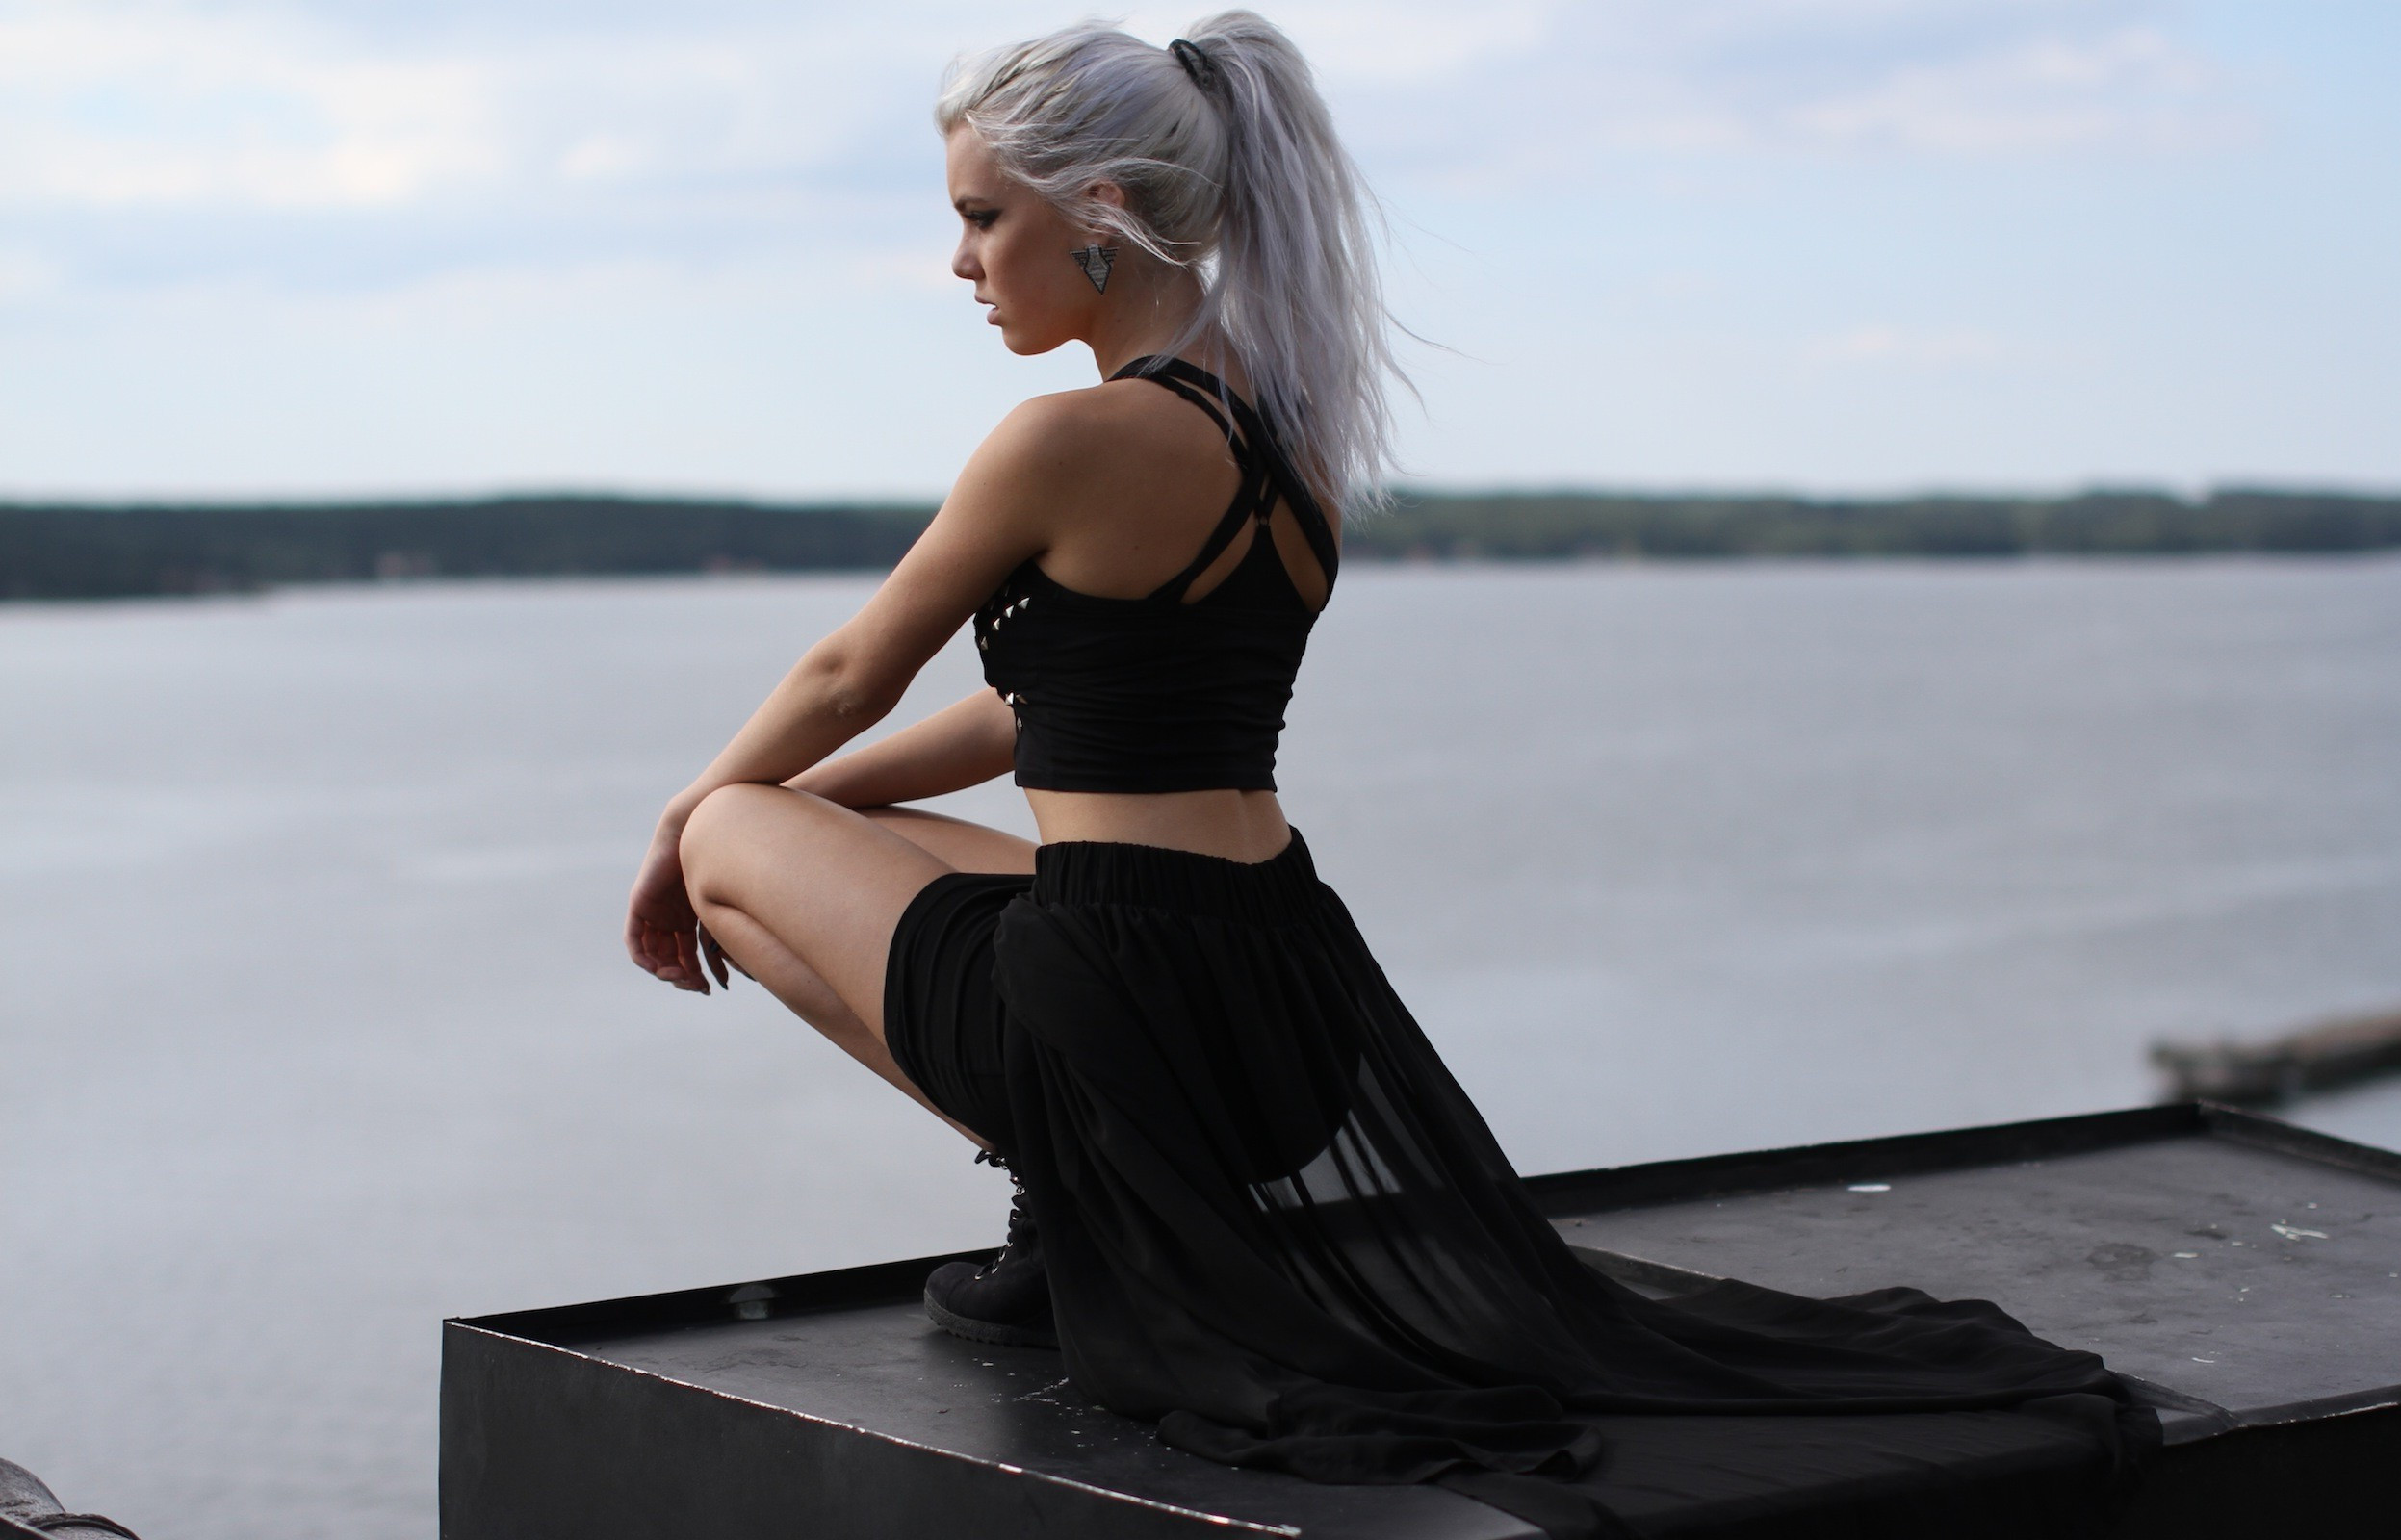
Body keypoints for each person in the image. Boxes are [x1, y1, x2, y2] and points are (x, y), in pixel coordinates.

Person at [625, 14, 2154, 1537]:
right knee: (812, 815)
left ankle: (1071, 1196)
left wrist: (689, 824)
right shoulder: (1293, 431)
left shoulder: (1065, 440)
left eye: (981, 217)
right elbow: (1043, 718)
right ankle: (1063, 1201)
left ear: (1099, 214)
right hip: (1289, 1020)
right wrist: (834, 806)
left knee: (733, 839)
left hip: (1128, 1023)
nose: (960, 263)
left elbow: (846, 673)